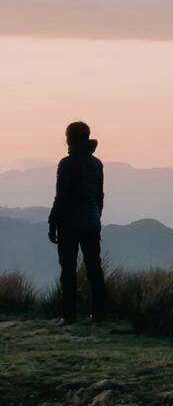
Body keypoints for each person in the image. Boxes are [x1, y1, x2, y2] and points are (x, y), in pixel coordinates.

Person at [48, 121, 107, 325]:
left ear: (71, 138)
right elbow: (99, 197)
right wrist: (96, 217)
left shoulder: (66, 164)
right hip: (92, 222)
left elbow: (61, 197)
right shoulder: (96, 163)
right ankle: (99, 313)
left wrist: (52, 222)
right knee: (94, 268)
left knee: (68, 270)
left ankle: (69, 316)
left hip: (69, 223)